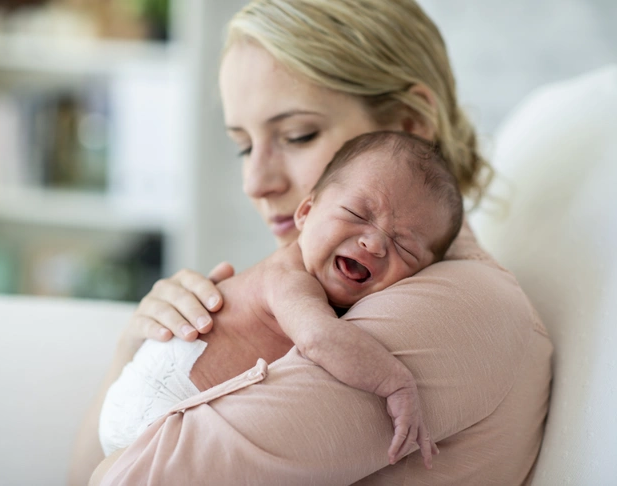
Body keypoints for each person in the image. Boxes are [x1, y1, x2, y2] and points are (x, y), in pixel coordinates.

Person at [70, 1, 553, 484]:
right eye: (243, 145)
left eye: (298, 135)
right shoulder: (333, 290)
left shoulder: (456, 309)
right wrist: (137, 345)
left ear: (408, 126)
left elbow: (123, 479)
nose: (255, 182)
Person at [98, 131, 462, 469]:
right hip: (153, 408)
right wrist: (396, 383)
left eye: (404, 247)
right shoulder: (287, 278)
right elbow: (319, 338)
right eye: (356, 214)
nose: (376, 243)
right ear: (305, 213)